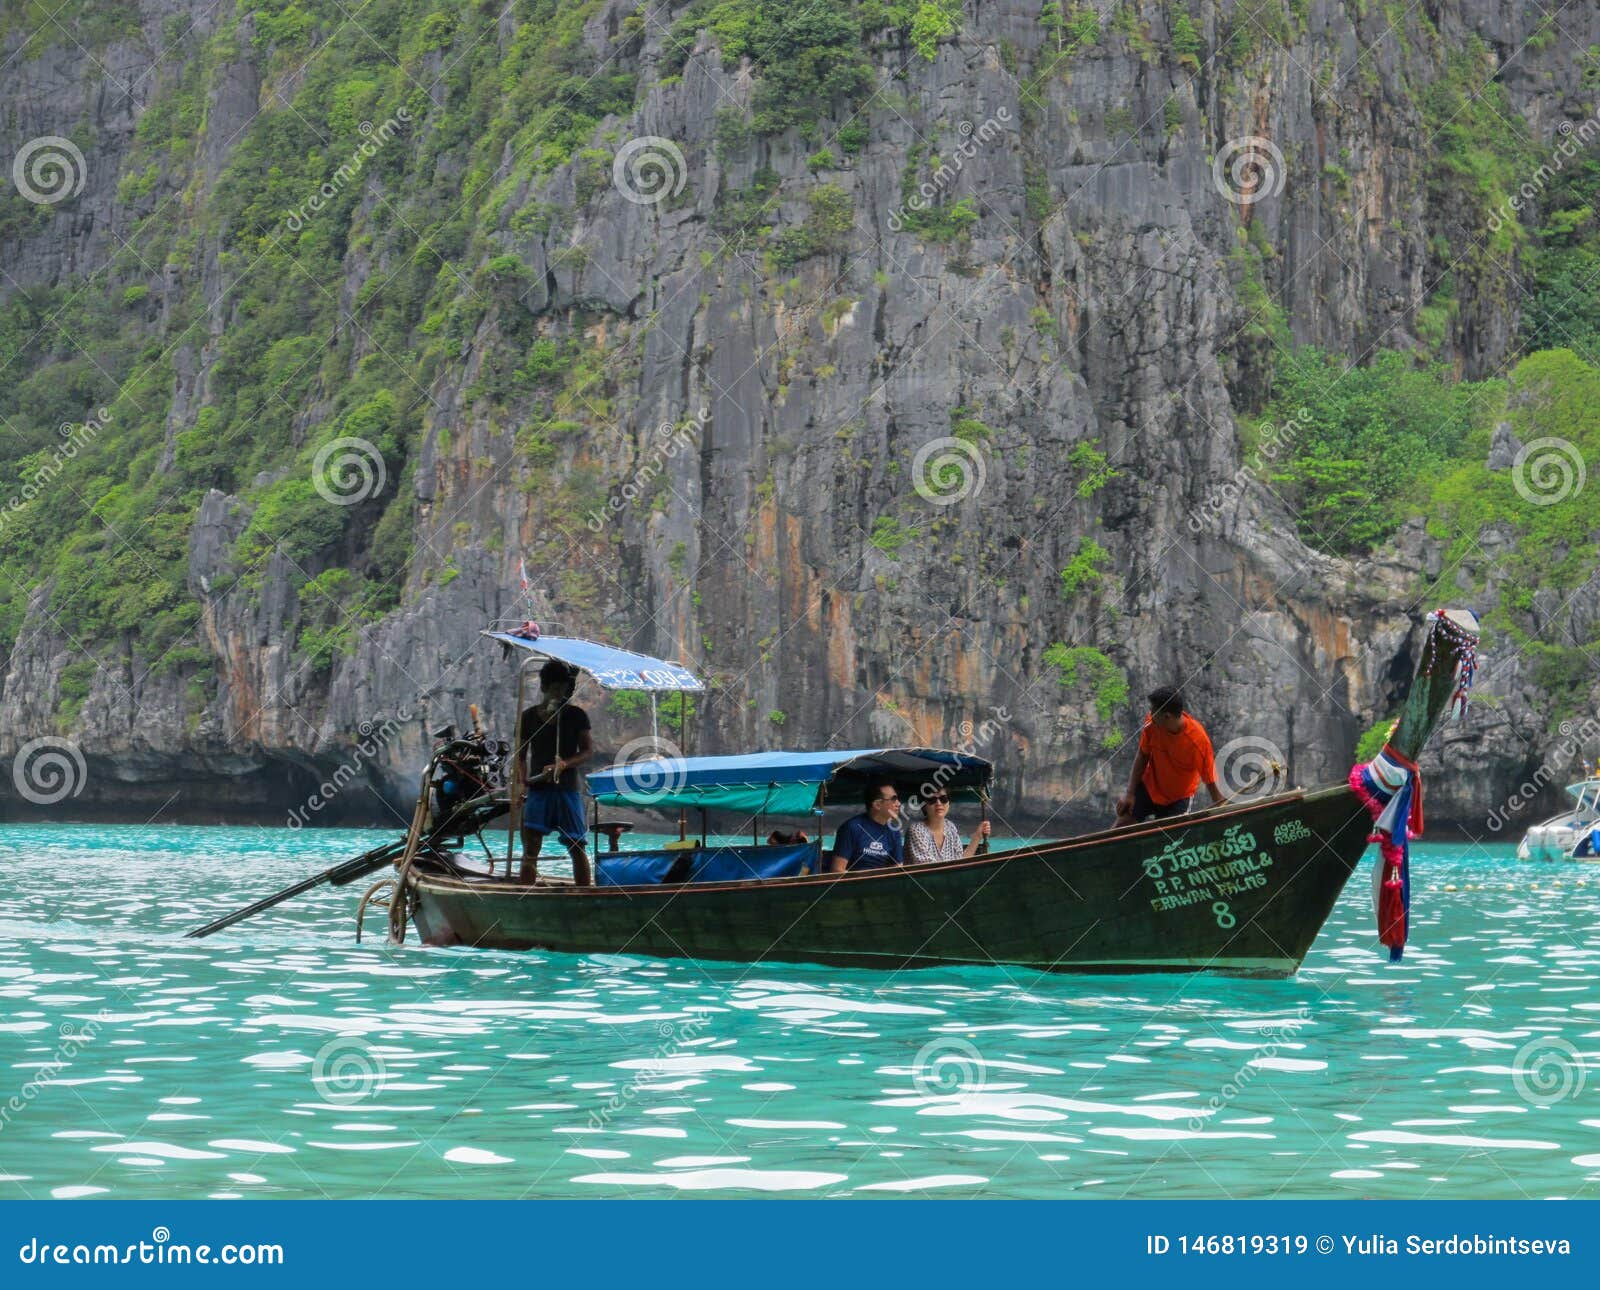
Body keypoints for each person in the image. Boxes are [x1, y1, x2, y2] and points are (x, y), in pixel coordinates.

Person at [516, 659, 595, 884]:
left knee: (576, 845)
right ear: (543, 688)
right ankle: (525, 898)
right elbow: (520, 756)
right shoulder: (529, 717)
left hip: (567, 789)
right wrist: (522, 783)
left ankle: (583, 897)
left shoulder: (576, 716)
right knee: (531, 849)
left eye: (562, 689)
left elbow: (588, 751)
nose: (558, 694)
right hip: (538, 789)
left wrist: (563, 764)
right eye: (553, 689)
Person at [1115, 685, 1224, 826]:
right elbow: (1143, 755)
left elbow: (1211, 782)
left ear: (1167, 716)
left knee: (1167, 842)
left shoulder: (1198, 741)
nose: (1150, 715)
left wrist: (1223, 813)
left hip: (1178, 799)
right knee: (1120, 827)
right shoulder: (1152, 724)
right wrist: (1130, 793)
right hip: (1150, 788)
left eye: (1153, 712)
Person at [827, 781, 904, 872]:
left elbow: (898, 868)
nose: (898, 803)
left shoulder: (894, 831)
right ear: (877, 805)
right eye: (893, 799)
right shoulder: (852, 827)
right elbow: (837, 870)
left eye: (897, 799)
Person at [905, 790, 990, 863]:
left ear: (948, 803)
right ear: (924, 806)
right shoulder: (916, 830)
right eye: (932, 800)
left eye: (943, 799)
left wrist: (977, 837)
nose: (938, 803)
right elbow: (928, 869)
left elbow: (961, 861)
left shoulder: (950, 827)